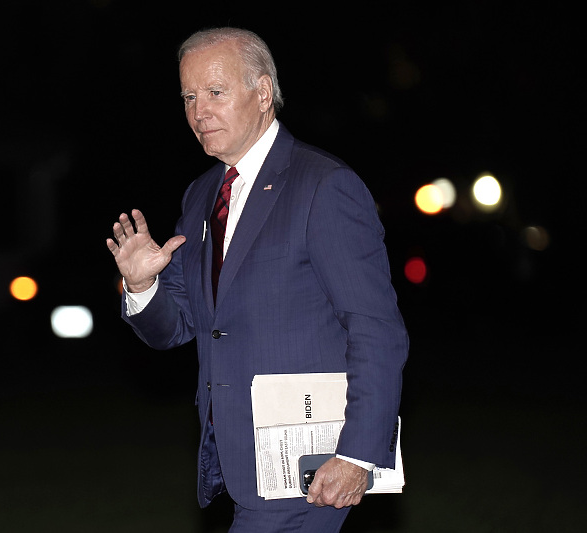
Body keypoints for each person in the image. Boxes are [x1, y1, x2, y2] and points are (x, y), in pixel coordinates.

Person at [106, 27, 408, 532]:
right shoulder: (201, 196)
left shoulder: (324, 186)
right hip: (241, 467)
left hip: (313, 471)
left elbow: (375, 327)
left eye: (216, 92)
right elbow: (175, 328)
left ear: (263, 93)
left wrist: (359, 454)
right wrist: (142, 287)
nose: (199, 112)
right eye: (189, 97)